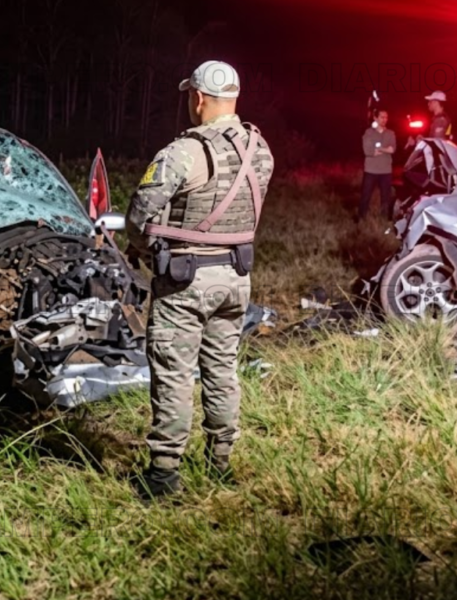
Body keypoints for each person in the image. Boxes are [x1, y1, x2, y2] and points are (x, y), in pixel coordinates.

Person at [124, 60, 274, 500]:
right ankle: (220, 462)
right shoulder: (260, 149)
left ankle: (164, 474)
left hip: (186, 280)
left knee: (173, 372)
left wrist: (140, 244)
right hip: (236, 277)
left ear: (199, 98)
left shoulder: (184, 152)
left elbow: (139, 212)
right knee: (222, 369)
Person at [358, 109, 396, 222]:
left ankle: (384, 219)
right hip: (371, 170)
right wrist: (384, 150)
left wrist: (379, 149)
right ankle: (361, 218)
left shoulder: (390, 133)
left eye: (386, 117)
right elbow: (367, 150)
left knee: (386, 197)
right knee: (365, 195)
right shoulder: (369, 132)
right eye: (382, 117)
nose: (384, 119)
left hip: (386, 170)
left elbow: (392, 149)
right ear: (375, 118)